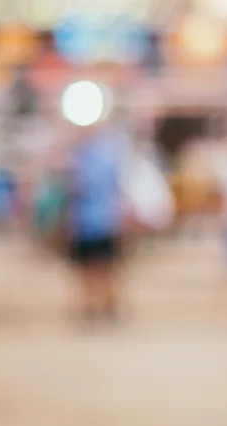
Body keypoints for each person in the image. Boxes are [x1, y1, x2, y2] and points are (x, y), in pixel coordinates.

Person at [64, 123, 131, 325]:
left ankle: (104, 309)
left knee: (101, 269)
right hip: (93, 221)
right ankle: (98, 309)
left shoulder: (93, 157)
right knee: (95, 269)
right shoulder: (98, 155)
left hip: (99, 221)